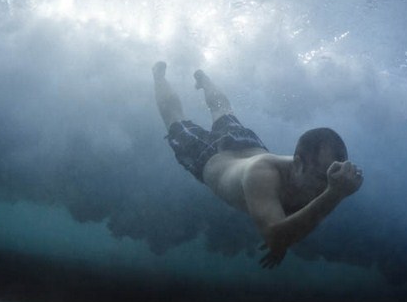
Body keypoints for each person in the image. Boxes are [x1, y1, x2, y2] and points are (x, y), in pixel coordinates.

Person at [152, 61, 363, 268]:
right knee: (174, 119)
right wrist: (335, 194)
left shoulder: (322, 175)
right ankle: (158, 76)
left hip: (246, 143)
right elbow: (275, 236)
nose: (326, 185)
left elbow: (283, 231)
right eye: (320, 179)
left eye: (332, 176)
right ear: (297, 163)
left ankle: (205, 81)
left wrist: (285, 236)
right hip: (208, 158)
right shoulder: (262, 175)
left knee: (222, 108)